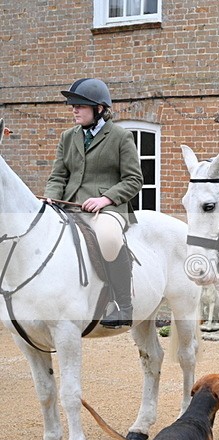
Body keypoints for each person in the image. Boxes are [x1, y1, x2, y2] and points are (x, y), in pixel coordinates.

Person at [44, 78, 143, 327]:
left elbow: (134, 179)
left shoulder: (121, 137)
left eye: (80, 105)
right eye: (73, 105)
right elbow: (58, 176)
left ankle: (122, 305)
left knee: (109, 238)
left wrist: (105, 198)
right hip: (67, 205)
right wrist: (50, 196)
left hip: (107, 208)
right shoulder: (68, 137)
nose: (74, 110)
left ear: (99, 109)